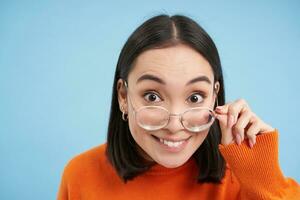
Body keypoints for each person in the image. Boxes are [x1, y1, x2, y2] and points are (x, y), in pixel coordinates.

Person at [57, 14, 300, 200]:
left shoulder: (241, 179)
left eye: (195, 97)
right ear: (123, 96)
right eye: (152, 96)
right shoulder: (80, 175)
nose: (174, 125)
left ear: (214, 98)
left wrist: (266, 182)